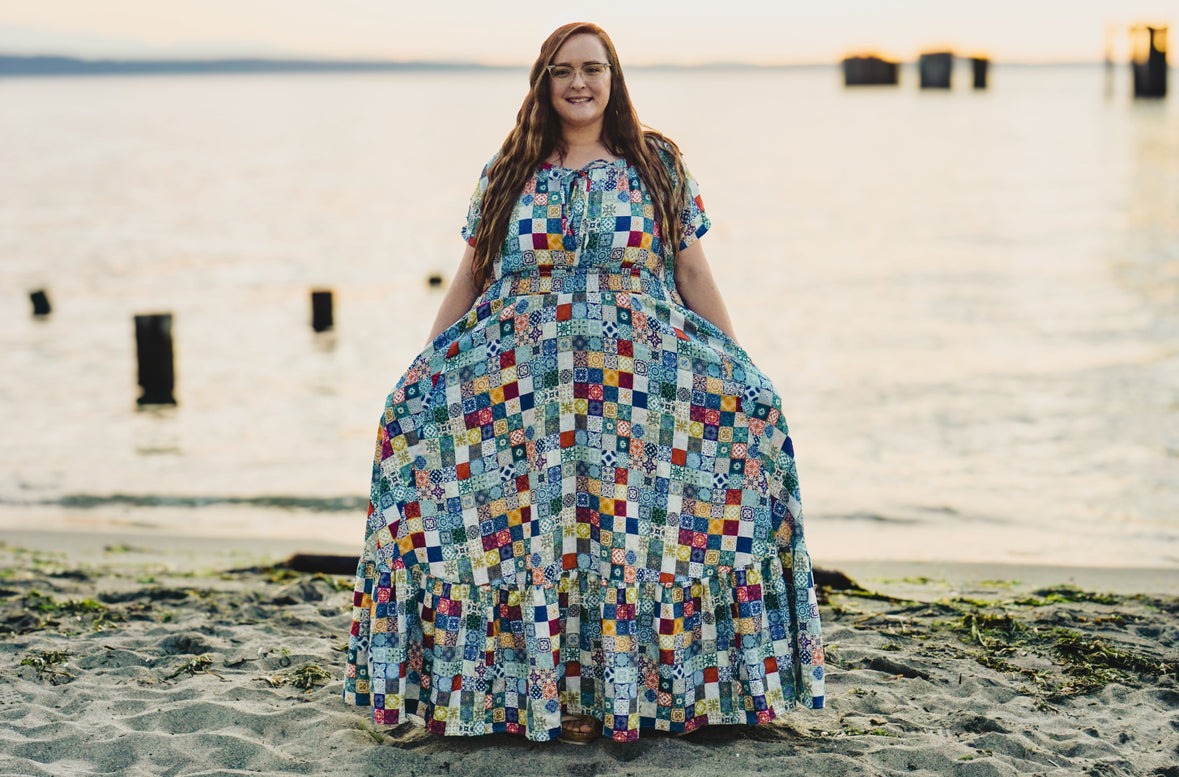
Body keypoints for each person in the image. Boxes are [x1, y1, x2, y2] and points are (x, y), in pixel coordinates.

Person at [344, 21, 824, 744]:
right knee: (536, 542)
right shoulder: (509, 167)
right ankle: (528, 696)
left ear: (613, 79)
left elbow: (691, 272)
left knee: (630, 542)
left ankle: (660, 694)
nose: (579, 83)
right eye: (563, 70)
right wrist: (426, 366)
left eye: (593, 69)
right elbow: (473, 275)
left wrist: (739, 367)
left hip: (640, 395)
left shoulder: (656, 163)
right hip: (524, 397)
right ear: (543, 81)